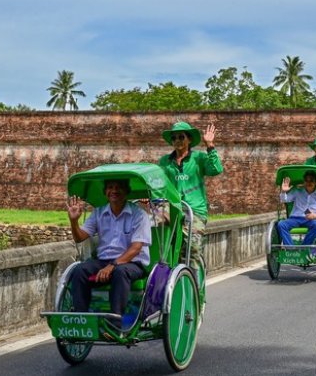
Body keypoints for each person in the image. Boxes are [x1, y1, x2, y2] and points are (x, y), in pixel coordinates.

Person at [66, 179, 152, 328]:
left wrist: (112, 265)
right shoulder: (99, 213)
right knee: (79, 270)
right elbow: (79, 237)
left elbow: (136, 248)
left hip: (132, 263)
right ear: (105, 192)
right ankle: (82, 320)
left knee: (120, 272)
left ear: (126, 192)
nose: (114, 191)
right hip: (104, 261)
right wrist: (74, 221)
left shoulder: (138, 214)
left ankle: (115, 324)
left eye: (119, 187)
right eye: (110, 187)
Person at [158, 121, 223, 309]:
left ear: (189, 140)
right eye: (174, 137)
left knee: (192, 250)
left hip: (194, 210)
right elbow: (158, 184)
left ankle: (194, 292)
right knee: (159, 244)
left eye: (181, 137)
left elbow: (216, 169)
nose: (177, 140)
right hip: (170, 208)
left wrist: (210, 145)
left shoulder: (199, 158)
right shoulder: (165, 162)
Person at [277, 171, 316, 258]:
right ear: (304, 182)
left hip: (310, 219)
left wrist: (315, 216)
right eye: (306, 180)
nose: (308, 183)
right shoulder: (297, 192)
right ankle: (291, 250)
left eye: (311, 180)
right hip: (295, 218)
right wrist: (283, 192)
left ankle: (303, 249)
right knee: (281, 224)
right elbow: (284, 200)